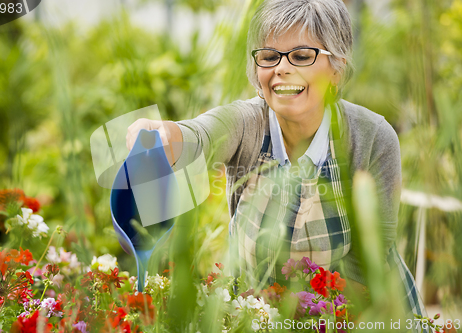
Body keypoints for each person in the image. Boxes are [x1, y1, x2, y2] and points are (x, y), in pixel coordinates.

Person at [126, 0, 427, 328]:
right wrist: (157, 135)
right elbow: (197, 136)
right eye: (269, 56)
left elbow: (368, 265)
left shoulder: (371, 137)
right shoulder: (245, 124)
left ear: (337, 67)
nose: (282, 68)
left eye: (301, 56)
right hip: (262, 314)